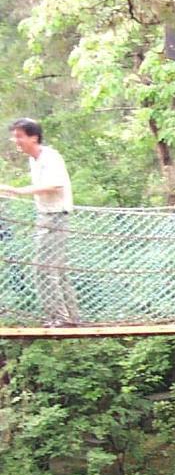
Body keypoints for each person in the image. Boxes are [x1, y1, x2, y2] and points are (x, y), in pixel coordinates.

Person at [0, 118, 79, 326]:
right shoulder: (33, 160)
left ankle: (59, 318)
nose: (15, 140)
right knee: (57, 269)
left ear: (33, 137)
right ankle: (70, 317)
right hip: (46, 215)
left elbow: (55, 185)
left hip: (55, 216)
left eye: (19, 136)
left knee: (43, 269)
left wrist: (16, 190)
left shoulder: (49, 157)